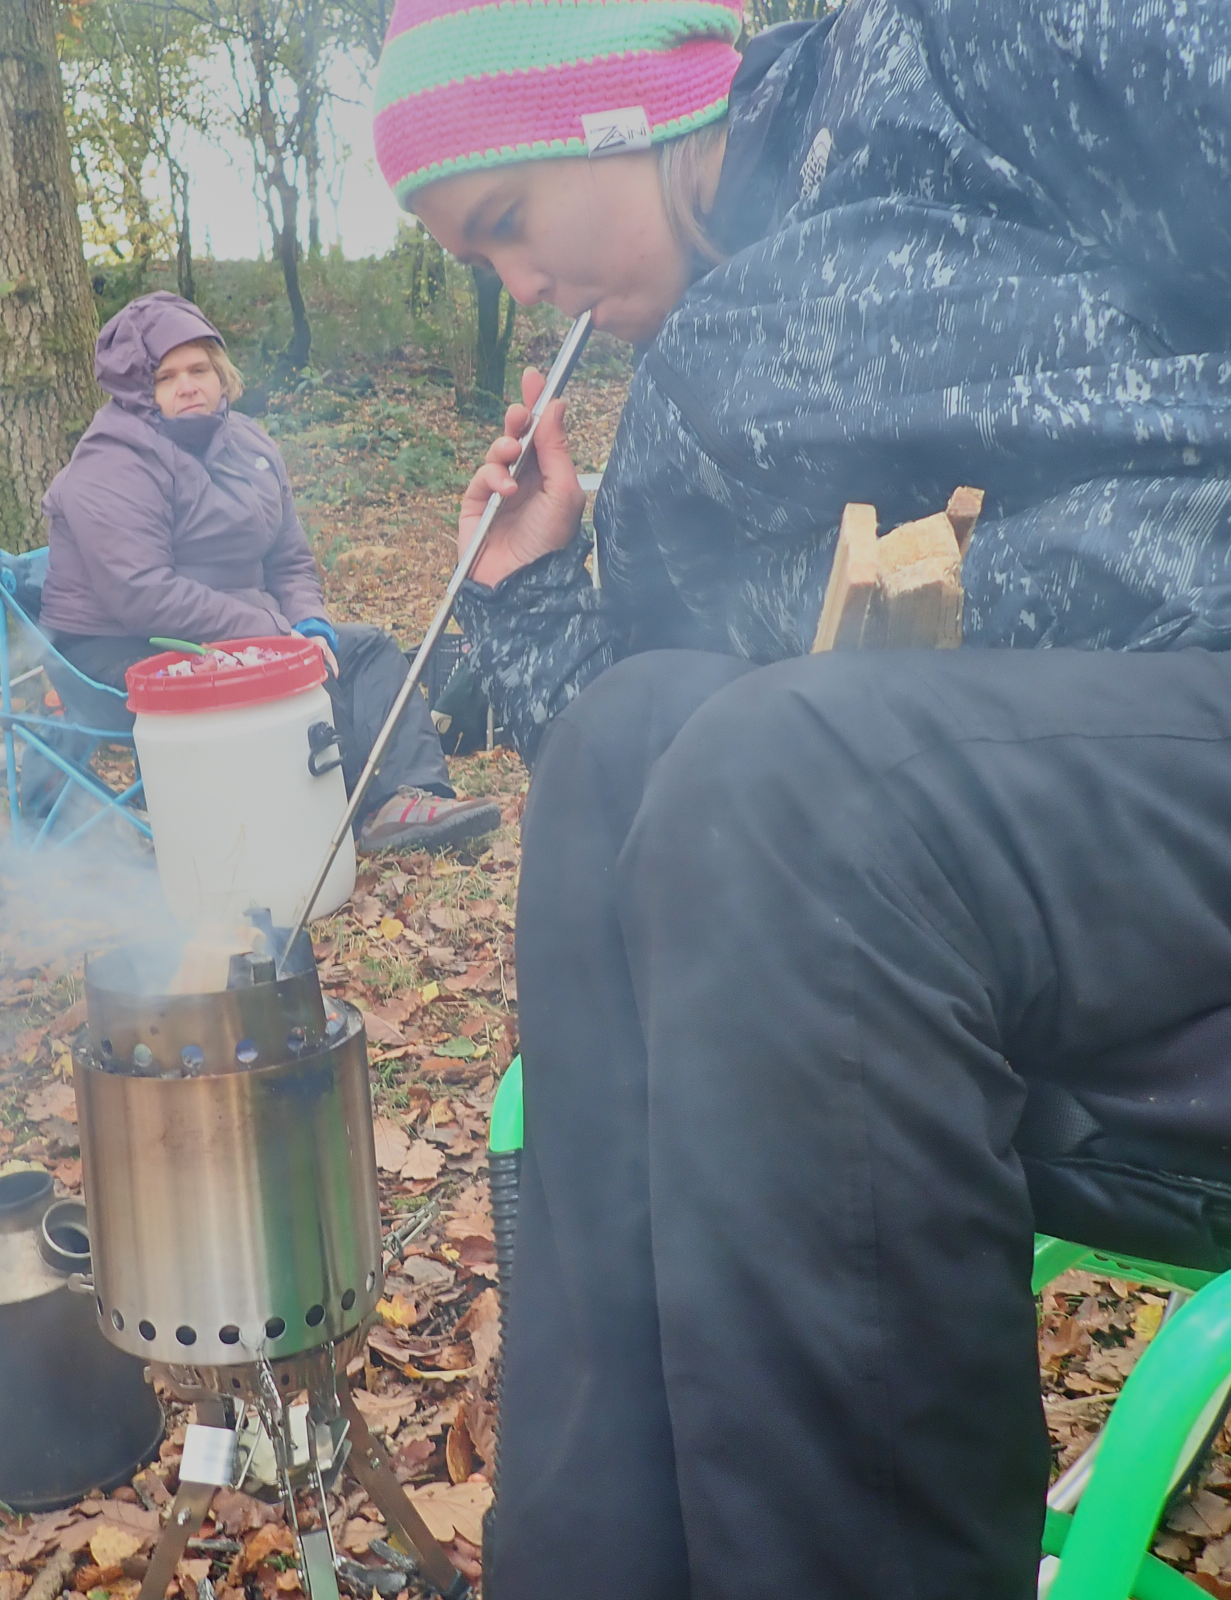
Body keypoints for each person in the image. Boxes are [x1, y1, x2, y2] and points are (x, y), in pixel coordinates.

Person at [372, 0, 1231, 1596]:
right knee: (643, 738)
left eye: (506, 225)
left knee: (801, 786)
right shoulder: (681, 407)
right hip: (980, 861)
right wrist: (535, 587)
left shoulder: (967, 53)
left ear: (607, 110)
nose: (521, 290)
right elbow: (655, 826)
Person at [37, 291, 500, 854]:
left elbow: (289, 559)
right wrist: (268, 631)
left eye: (200, 368)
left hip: (233, 629)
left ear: (221, 373)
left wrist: (306, 622)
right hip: (117, 648)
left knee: (367, 649)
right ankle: (343, 813)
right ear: (139, 388)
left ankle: (413, 800)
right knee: (293, 674)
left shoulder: (250, 444)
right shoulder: (111, 460)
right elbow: (142, 593)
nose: (188, 385)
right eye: (167, 376)